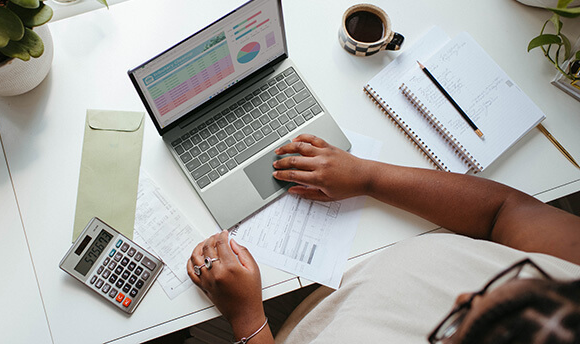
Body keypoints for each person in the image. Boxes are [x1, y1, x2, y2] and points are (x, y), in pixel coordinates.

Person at [187, 134, 580, 344]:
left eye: (455, 326)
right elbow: (504, 211)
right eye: (514, 280)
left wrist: (248, 320)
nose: (462, 296)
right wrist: (367, 177)